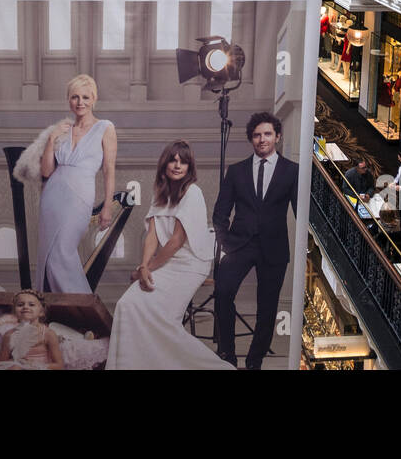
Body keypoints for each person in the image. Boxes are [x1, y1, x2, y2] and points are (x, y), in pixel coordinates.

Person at [107, 142, 233, 370]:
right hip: (165, 263)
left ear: (189, 166)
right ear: (164, 163)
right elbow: (152, 236)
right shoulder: (160, 193)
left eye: (182, 161)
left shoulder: (193, 193)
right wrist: (143, 266)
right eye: (172, 160)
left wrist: (148, 269)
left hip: (191, 264)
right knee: (128, 304)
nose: (177, 165)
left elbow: (175, 241)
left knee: (164, 321)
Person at [212, 111, 299, 370]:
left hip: (274, 248)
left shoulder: (292, 171)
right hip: (239, 245)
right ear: (251, 138)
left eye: (268, 134)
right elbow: (220, 212)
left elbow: (301, 211)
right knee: (223, 292)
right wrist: (225, 241)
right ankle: (227, 353)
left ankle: (254, 361)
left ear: (278, 136)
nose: (262, 139)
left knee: (267, 308)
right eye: (257, 135)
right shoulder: (236, 171)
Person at [34, 75, 118, 293]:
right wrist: (51, 140)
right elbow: (46, 171)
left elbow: (109, 170)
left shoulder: (105, 128)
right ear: (68, 100)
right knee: (49, 256)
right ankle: (58, 313)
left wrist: (107, 206)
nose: (80, 102)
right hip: (52, 197)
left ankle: (81, 311)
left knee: (62, 252)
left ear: (94, 99)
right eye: (74, 97)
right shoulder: (62, 129)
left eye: (85, 97)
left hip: (80, 195)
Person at [0, 289, 64, 370]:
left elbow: (59, 365)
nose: (25, 307)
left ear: (41, 312)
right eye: (20, 305)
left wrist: (34, 366)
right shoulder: (9, 335)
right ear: (14, 311)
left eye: (31, 305)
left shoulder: (47, 334)